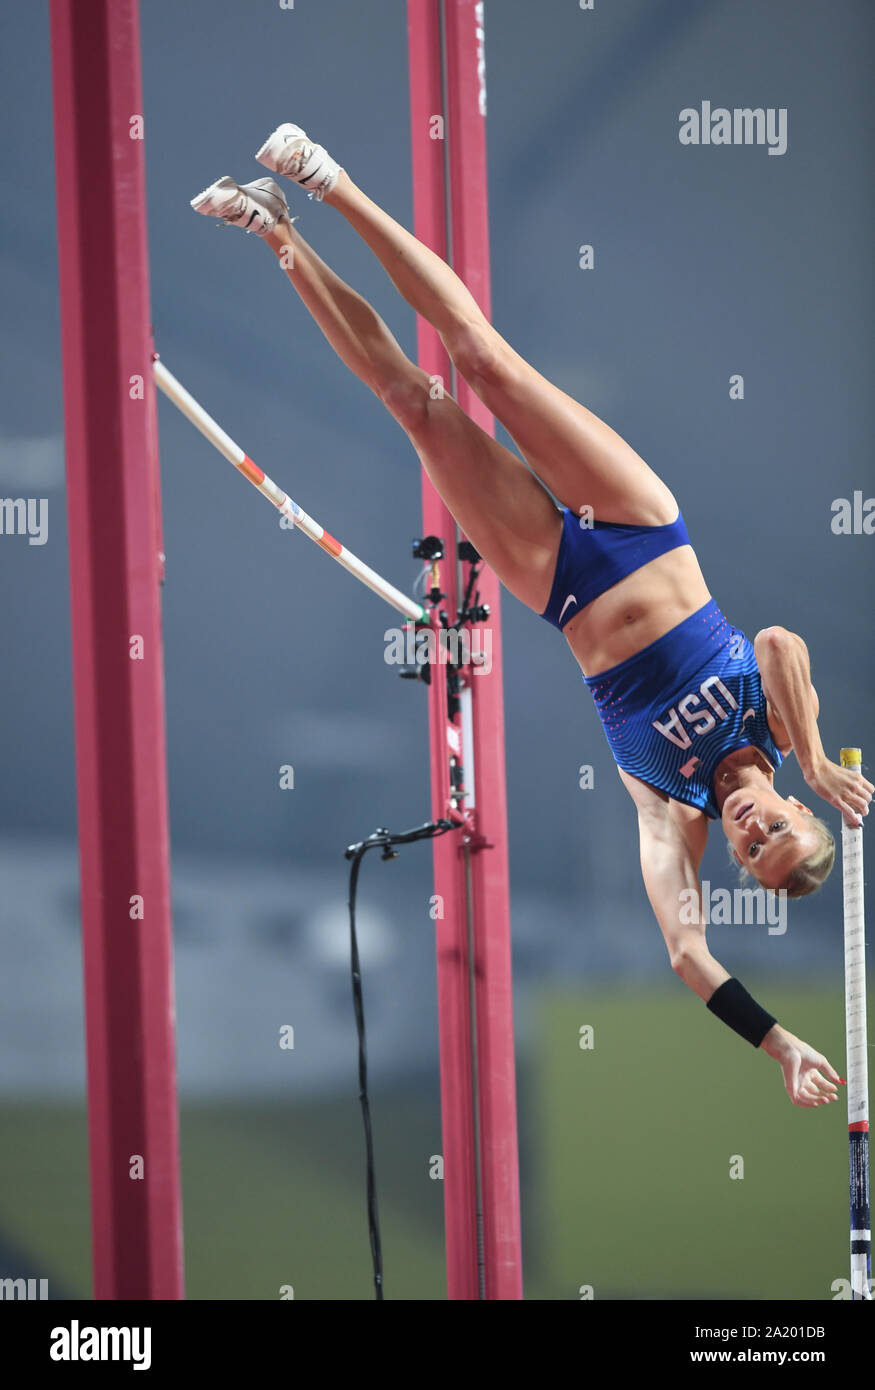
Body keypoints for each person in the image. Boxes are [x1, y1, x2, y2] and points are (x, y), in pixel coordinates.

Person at [191, 124, 872, 1106]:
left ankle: (276, 234)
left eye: (750, 851)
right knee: (484, 362)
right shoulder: (779, 725)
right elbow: (777, 640)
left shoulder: (666, 810)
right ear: (795, 807)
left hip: (555, 584)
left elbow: (686, 953)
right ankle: (327, 179)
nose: (751, 829)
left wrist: (773, 1044)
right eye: (776, 828)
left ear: (731, 854)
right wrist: (806, 751)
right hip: (639, 529)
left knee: (414, 404)